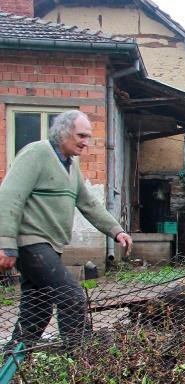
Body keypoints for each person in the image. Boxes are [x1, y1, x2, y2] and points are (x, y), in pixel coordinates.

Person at [0, 110, 133, 350]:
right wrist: (6, 242)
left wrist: (116, 230)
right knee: (71, 296)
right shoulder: (37, 153)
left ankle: (14, 358)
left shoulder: (70, 167)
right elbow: (10, 195)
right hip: (32, 243)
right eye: (81, 135)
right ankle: (80, 355)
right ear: (63, 133)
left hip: (50, 246)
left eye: (88, 136)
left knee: (37, 311)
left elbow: (89, 203)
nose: (86, 142)